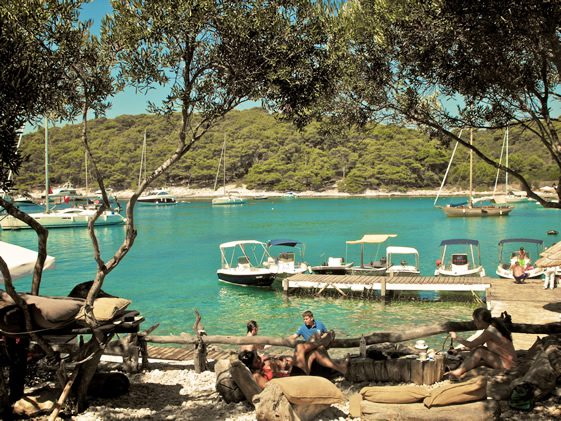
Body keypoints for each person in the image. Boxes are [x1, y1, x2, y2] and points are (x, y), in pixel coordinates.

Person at [239, 338, 347, 388]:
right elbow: (269, 387)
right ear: (250, 366)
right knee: (300, 347)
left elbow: (275, 374)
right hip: (294, 381)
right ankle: (324, 341)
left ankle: (340, 368)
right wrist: (281, 375)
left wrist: (282, 369)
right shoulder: (257, 375)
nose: (259, 359)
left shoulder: (261, 366)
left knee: (316, 351)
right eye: (256, 360)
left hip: (293, 376)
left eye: (258, 357)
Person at [447, 308, 516, 379]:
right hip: (506, 360)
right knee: (480, 348)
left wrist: (456, 337)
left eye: (475, 320)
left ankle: (457, 372)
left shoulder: (489, 332)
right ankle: (461, 368)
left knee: (480, 351)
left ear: (480, 320)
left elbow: (471, 344)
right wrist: (459, 350)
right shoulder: (493, 327)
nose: (474, 323)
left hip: (509, 364)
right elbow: (476, 345)